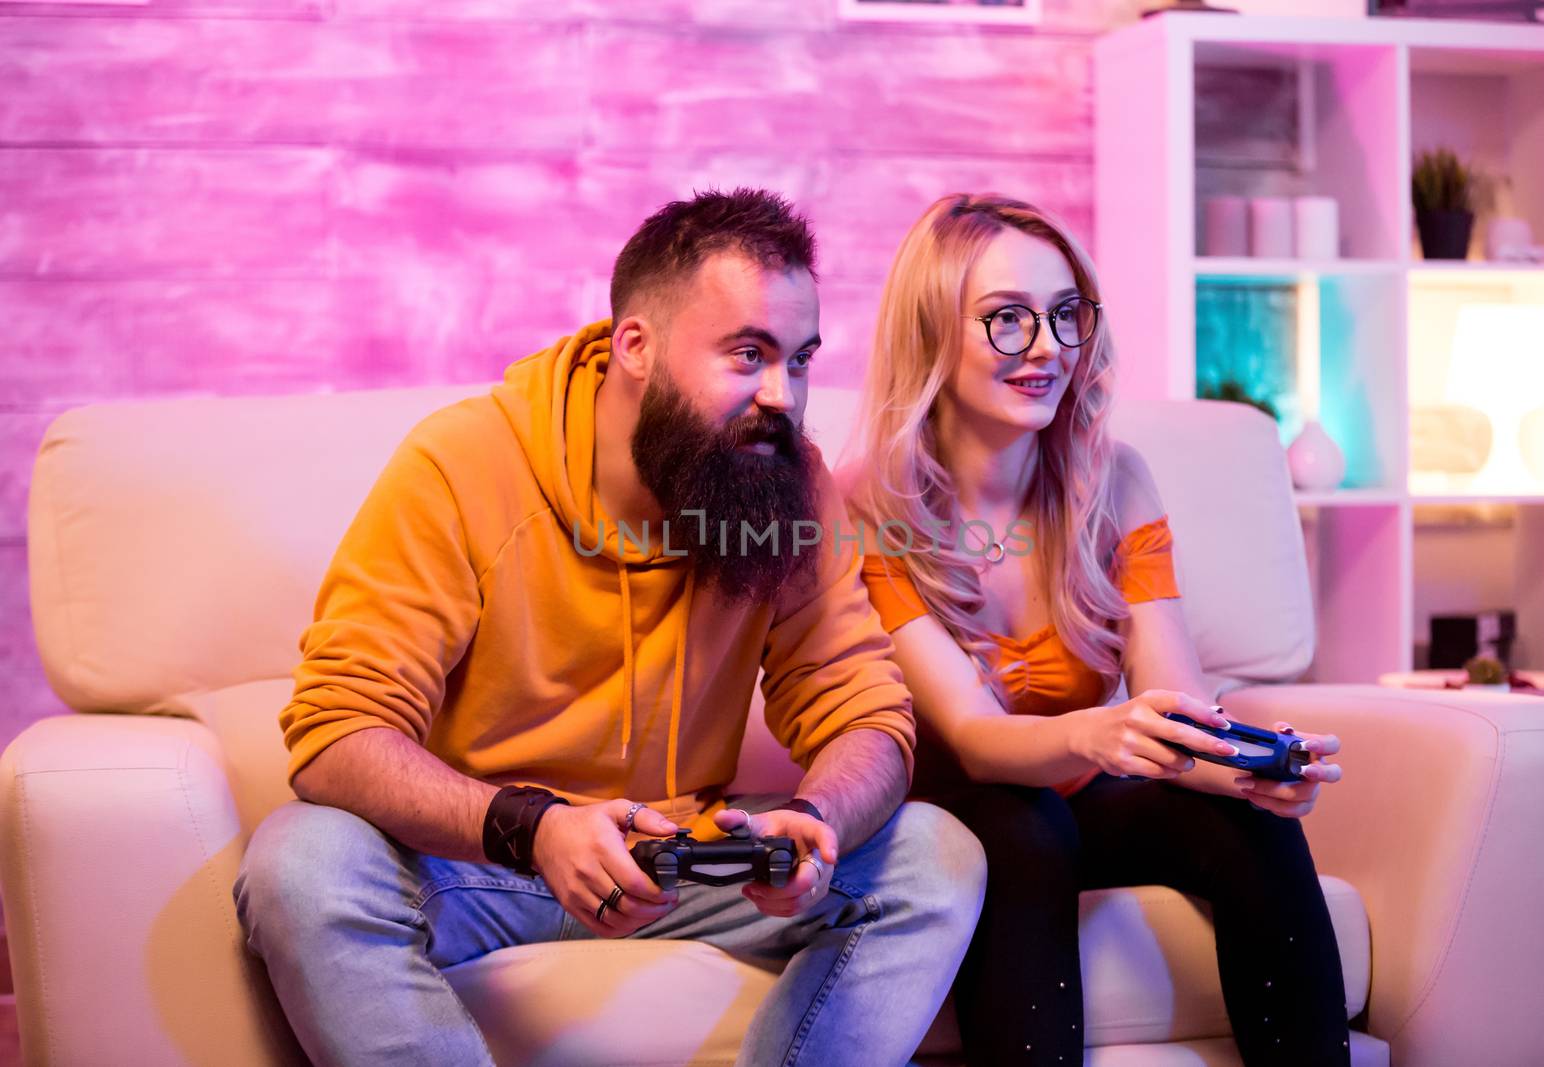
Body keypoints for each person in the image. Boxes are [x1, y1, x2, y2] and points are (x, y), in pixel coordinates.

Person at [233, 188, 985, 1067]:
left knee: (936, 855)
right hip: (488, 856)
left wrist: (816, 821)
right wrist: (536, 826)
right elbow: (335, 732)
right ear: (637, 346)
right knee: (300, 862)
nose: (785, 395)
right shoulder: (459, 464)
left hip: (689, 861)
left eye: (801, 359)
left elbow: (866, 711)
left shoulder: (787, 483)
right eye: (749, 354)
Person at [840, 193, 1350, 1066]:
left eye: (1065, 315)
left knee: (1253, 825)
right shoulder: (870, 501)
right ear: (931, 332)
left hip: (1074, 798)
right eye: (1006, 319)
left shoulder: (1116, 479)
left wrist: (1253, 770)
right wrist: (1103, 734)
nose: (1047, 347)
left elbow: (1174, 703)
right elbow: (972, 739)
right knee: (1024, 826)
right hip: (950, 811)